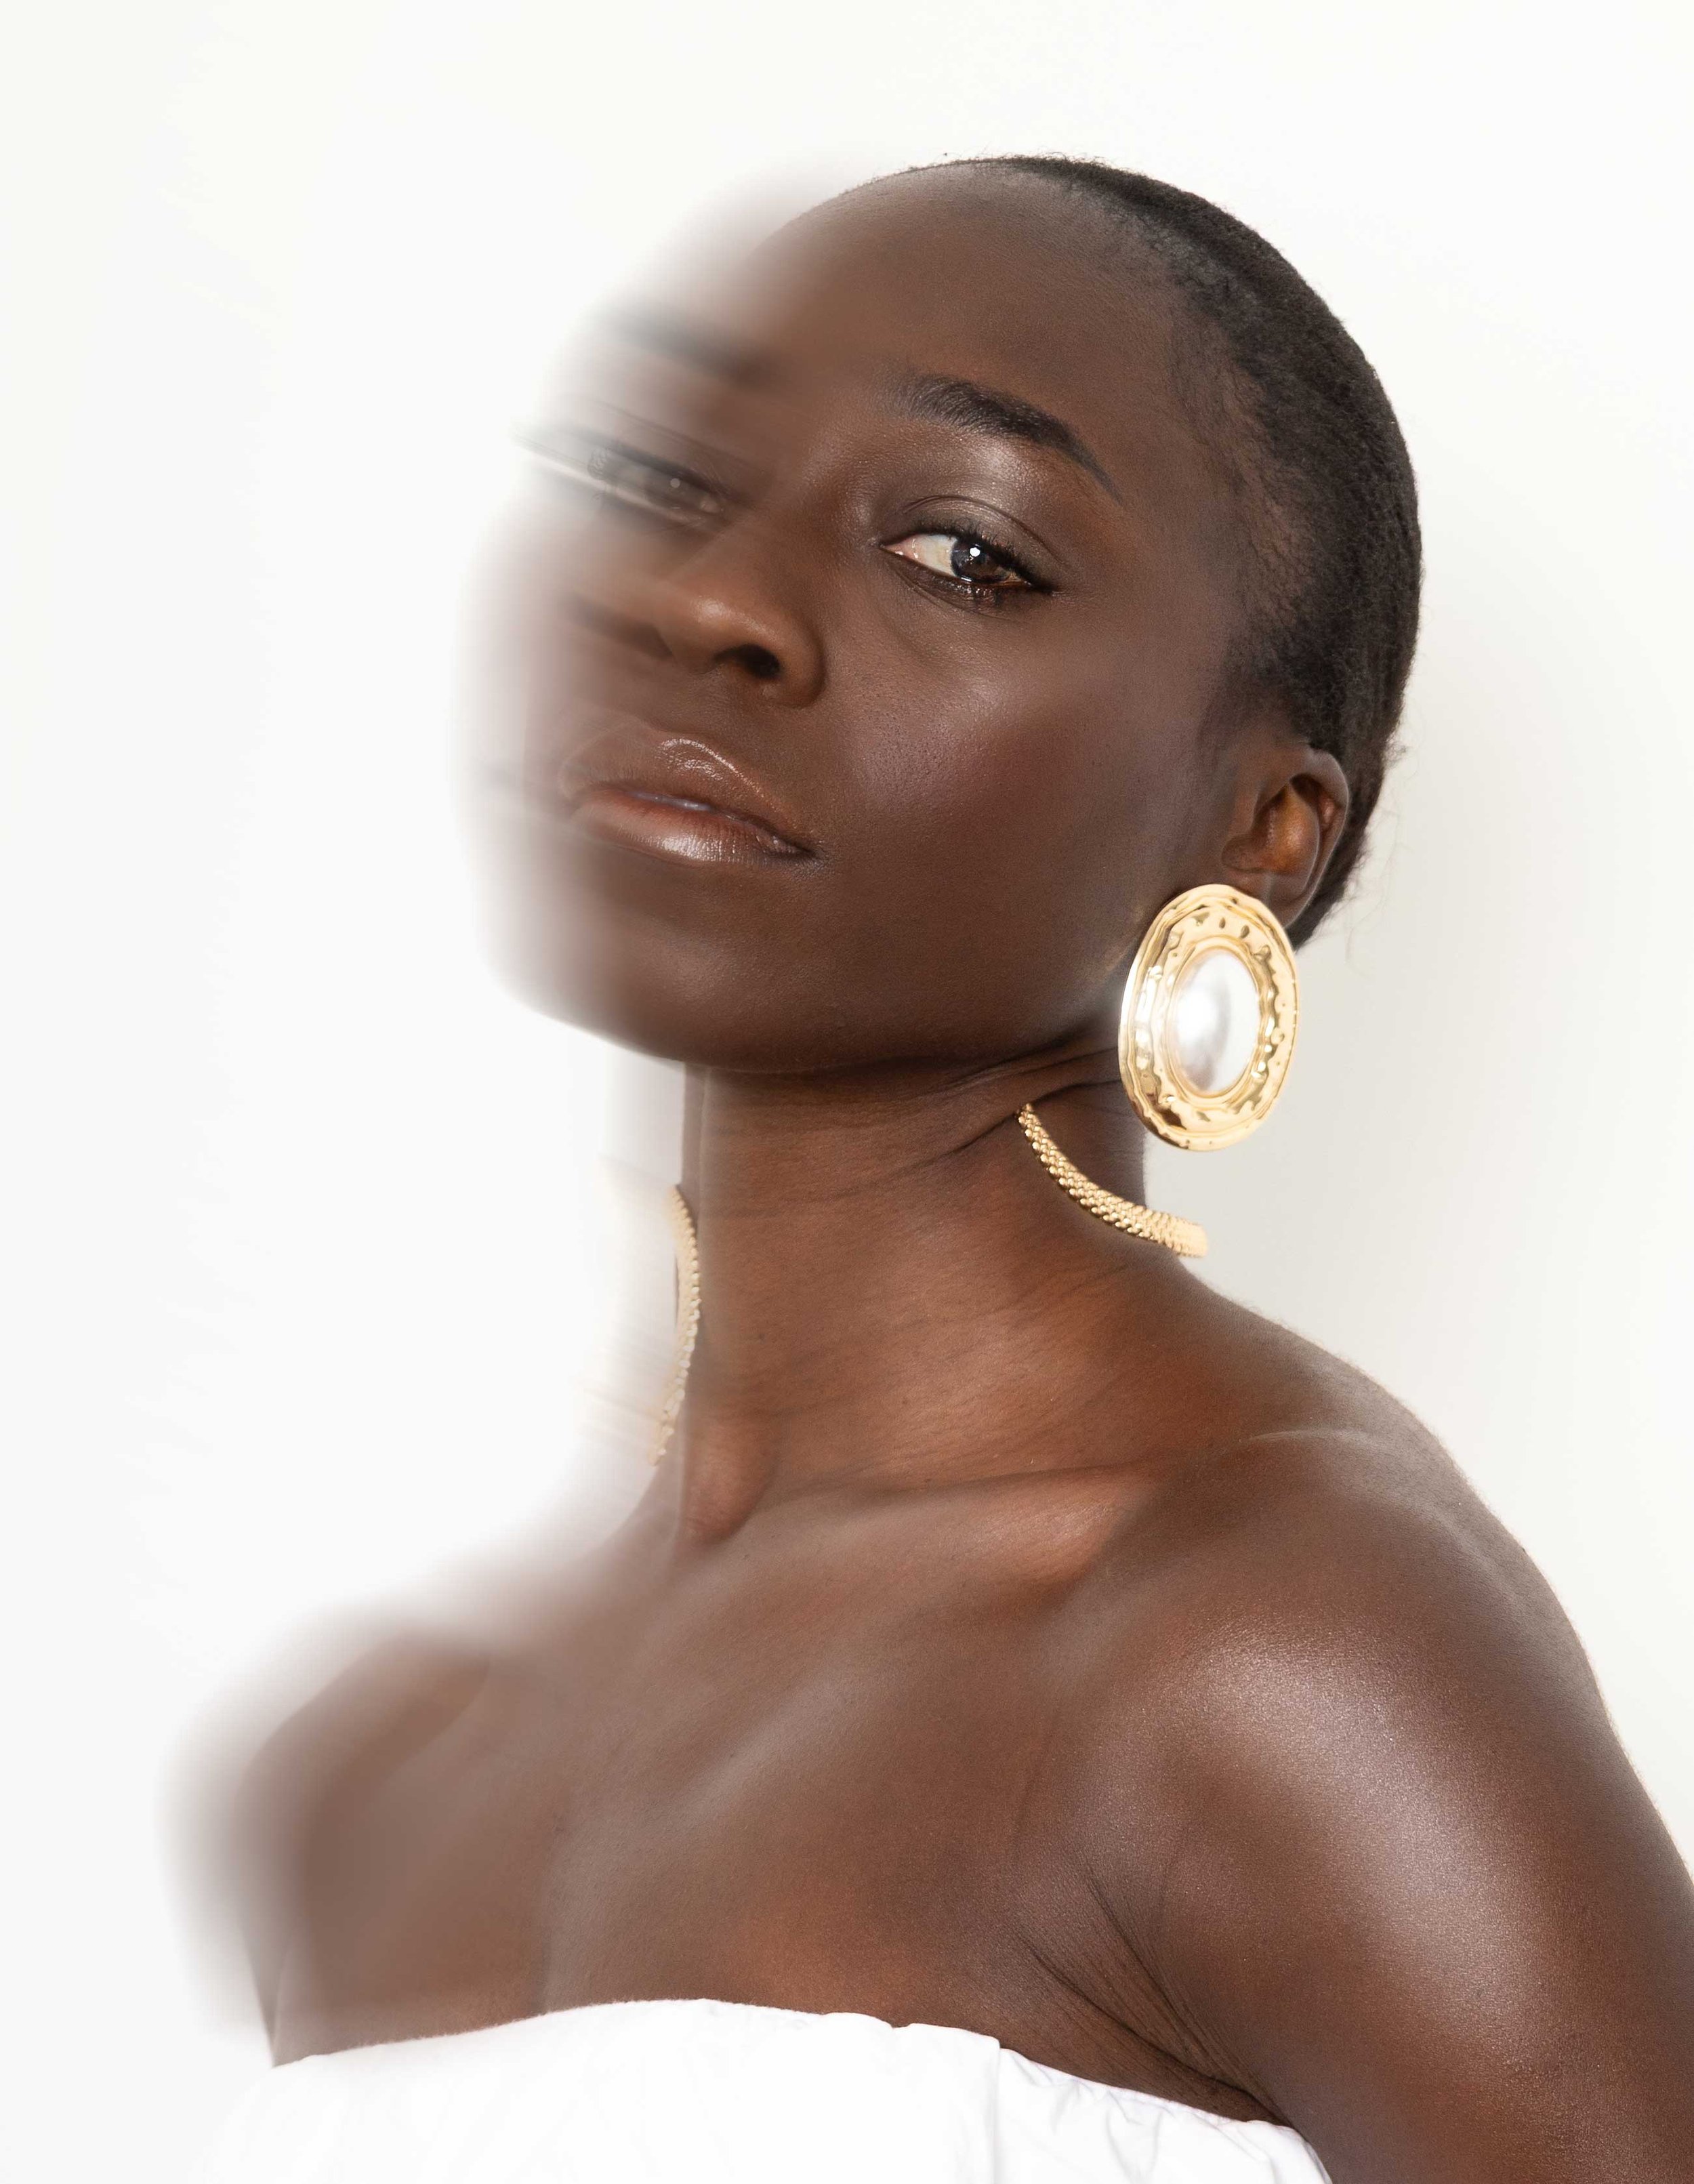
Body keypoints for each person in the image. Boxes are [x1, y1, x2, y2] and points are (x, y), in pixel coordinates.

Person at [211, 158, 1694, 2182]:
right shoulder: (362, 1786)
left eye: (961, 550)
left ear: (1260, 829)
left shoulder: (1269, 1651)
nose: (700, 601)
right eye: (648, 478)